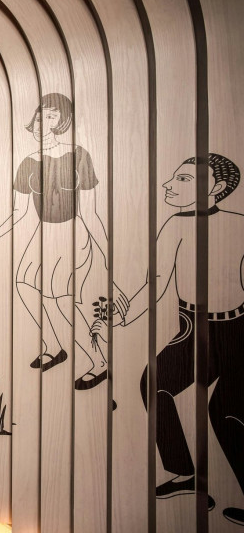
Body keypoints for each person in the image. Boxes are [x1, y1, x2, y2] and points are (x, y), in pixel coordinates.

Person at [96, 154, 244, 522]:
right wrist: (122, 315)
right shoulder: (175, 225)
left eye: (183, 180)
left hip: (235, 331)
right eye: (175, 178)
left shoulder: (238, 224)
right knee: (155, 384)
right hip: (192, 327)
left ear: (216, 187)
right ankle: (185, 473)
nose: (169, 185)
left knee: (225, 413)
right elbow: (157, 283)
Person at [0, 93, 113, 390]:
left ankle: (98, 360)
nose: (41, 123)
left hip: (72, 233)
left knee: (59, 297)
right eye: (39, 116)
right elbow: (19, 212)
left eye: (50, 116)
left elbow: (91, 211)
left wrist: (105, 251)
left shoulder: (79, 155)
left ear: (63, 121)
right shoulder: (27, 162)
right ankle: (54, 344)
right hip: (43, 234)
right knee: (25, 284)